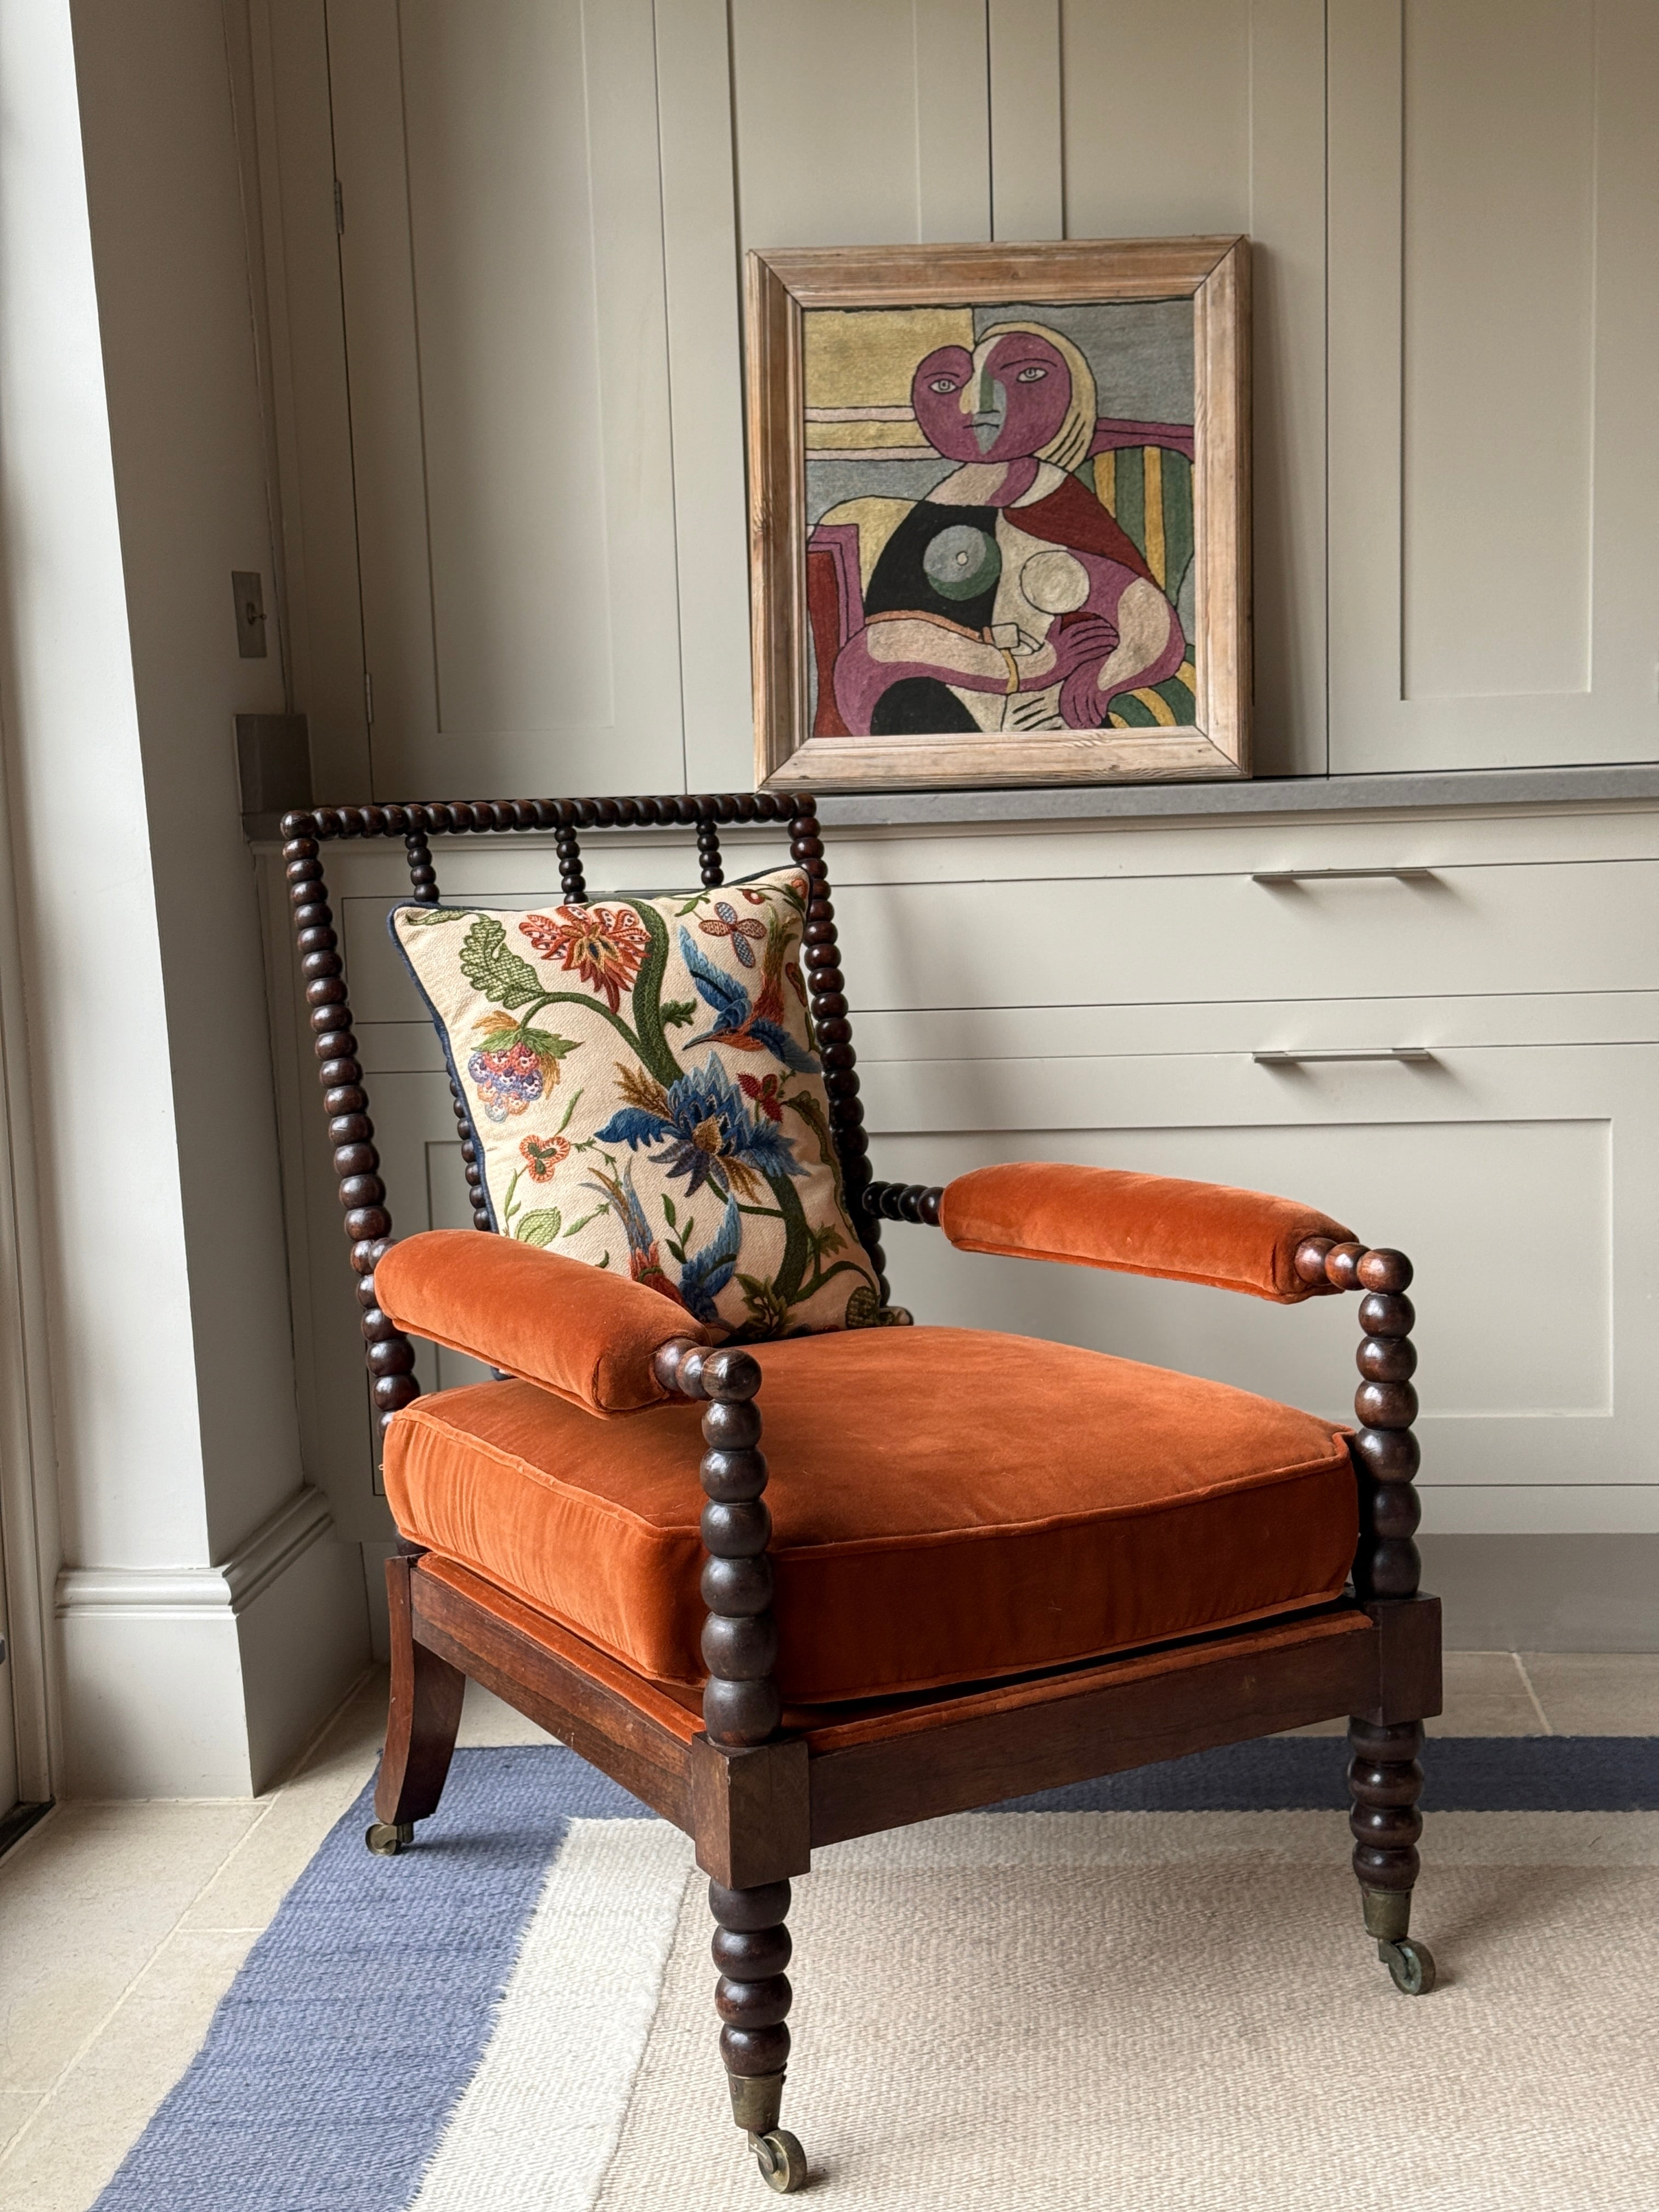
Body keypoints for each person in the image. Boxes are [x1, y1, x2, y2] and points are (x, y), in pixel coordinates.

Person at [823, 322, 1187, 736]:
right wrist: (1030, 667)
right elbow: (880, 649)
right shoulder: (940, 508)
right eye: (945, 384)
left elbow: (1151, 625)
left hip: (1042, 715)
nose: (980, 405)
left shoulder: (1057, 500)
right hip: (936, 709)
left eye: (1027, 376)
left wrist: (1101, 680)